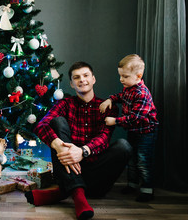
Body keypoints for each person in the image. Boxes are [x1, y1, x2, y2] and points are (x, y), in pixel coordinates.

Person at [25, 61, 132, 220]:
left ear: (93, 79)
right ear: (72, 84)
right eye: (77, 77)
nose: (82, 80)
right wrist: (59, 146)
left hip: (97, 177)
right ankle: (78, 195)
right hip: (67, 170)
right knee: (57, 122)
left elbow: (104, 138)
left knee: (124, 146)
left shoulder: (108, 107)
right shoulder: (65, 104)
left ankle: (64, 192)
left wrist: (82, 151)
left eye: (85, 75)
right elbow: (40, 126)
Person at [99, 54, 158, 202]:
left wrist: (115, 121)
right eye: (120, 76)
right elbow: (121, 96)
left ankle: (147, 190)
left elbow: (136, 118)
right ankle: (132, 184)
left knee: (143, 160)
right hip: (133, 131)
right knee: (131, 159)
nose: (121, 80)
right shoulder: (128, 88)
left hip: (146, 132)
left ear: (138, 75)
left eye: (125, 76)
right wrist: (110, 99)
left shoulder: (142, 93)